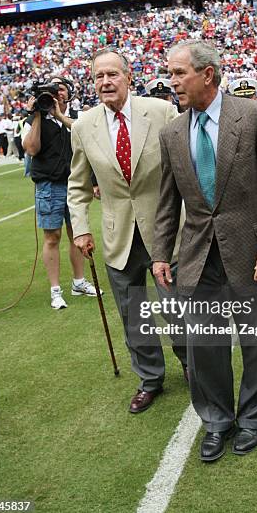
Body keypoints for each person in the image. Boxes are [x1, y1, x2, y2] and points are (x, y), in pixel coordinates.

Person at [152, 40, 257, 462]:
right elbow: (167, 201)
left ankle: (252, 418)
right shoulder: (172, 132)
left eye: (180, 73)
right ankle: (216, 420)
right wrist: (162, 253)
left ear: (207, 74)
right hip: (198, 259)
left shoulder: (255, 117)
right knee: (206, 347)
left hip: (255, 256)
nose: (172, 81)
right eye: (171, 73)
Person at [67, 48, 187, 414]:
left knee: (176, 307)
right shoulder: (83, 126)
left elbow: (183, 169)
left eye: (112, 74)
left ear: (128, 76)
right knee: (134, 315)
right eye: (99, 76)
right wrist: (80, 229)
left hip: (165, 231)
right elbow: (77, 184)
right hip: (118, 235)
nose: (106, 81)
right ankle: (150, 379)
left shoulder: (163, 112)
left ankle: (195, 364)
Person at [22, 75, 99, 310]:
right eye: (51, 90)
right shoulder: (34, 118)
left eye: (61, 88)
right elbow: (31, 149)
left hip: (75, 184)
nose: (56, 93)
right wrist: (37, 115)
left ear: (70, 92)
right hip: (49, 185)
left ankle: (79, 282)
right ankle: (56, 290)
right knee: (51, 237)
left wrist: (57, 115)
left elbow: (84, 138)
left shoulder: (77, 119)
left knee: (78, 234)